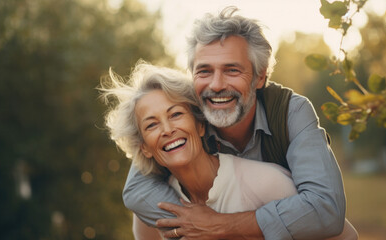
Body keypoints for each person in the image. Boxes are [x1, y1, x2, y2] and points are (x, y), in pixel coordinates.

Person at [123, 6, 348, 240]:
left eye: (232, 70)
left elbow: (326, 208)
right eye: (204, 71)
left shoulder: (291, 111)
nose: (217, 84)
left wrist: (218, 225)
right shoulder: (187, 112)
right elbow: (136, 189)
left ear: (260, 76)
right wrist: (192, 223)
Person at [100, 62, 357, 240]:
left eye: (176, 114)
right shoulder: (155, 211)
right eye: (152, 124)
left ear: (201, 124)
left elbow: (342, 234)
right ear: (143, 147)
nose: (167, 129)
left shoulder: (265, 182)